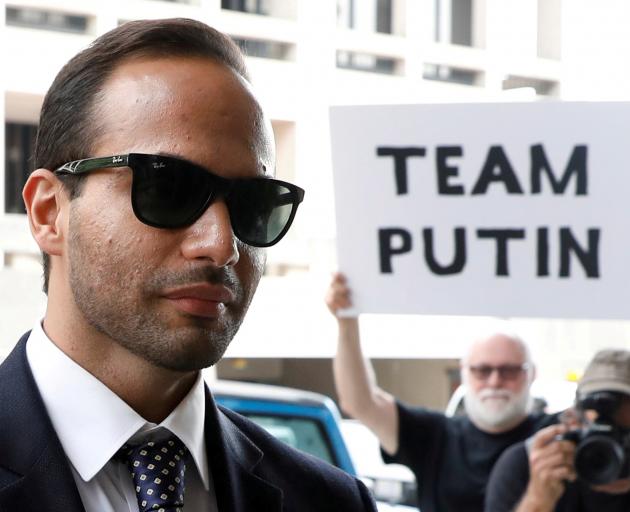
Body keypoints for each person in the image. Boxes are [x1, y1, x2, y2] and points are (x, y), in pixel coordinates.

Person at [0, 19, 376, 512]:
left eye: (253, 204)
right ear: (50, 212)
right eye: (168, 187)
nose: (222, 245)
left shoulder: (331, 503)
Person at [326, 272, 556, 512]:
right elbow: (361, 402)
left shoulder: (555, 435)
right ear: (464, 373)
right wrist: (347, 324)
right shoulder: (436, 436)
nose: (495, 381)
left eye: (509, 370)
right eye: (482, 370)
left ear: (531, 374)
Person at [485, 349, 630, 512]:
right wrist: (538, 500)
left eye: (624, 434)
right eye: (597, 425)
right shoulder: (530, 464)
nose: (611, 444)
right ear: (574, 418)